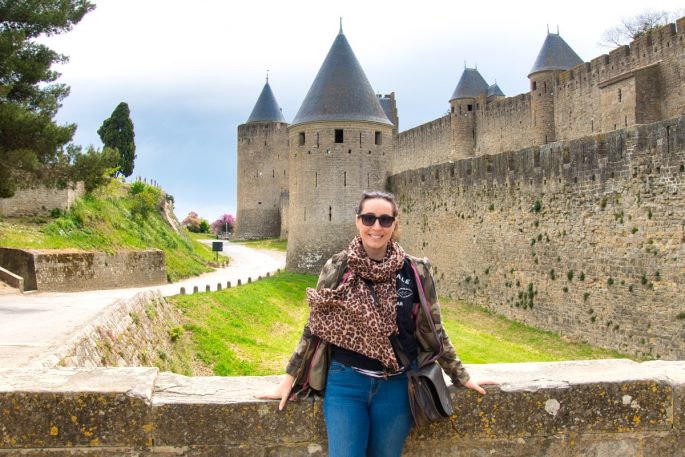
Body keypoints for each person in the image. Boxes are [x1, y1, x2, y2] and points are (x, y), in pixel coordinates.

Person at [258, 190, 495, 456]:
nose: (376, 227)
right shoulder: (338, 267)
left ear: (395, 224)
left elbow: (434, 328)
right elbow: (315, 326)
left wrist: (461, 376)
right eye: (369, 218)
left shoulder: (416, 271)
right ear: (358, 221)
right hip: (346, 384)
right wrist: (289, 379)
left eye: (385, 220)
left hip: (396, 386)